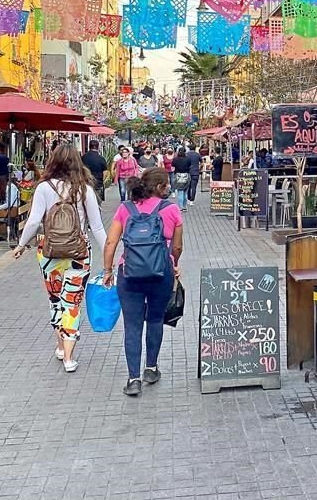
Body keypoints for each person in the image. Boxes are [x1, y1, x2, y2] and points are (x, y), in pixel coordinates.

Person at [12, 145, 108, 373]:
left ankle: (60, 346)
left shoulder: (43, 188)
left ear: (53, 162)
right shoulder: (84, 189)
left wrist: (21, 244)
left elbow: (34, 222)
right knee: (72, 303)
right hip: (79, 253)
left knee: (55, 300)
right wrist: (109, 255)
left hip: (49, 253)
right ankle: (69, 357)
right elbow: (97, 227)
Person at [102, 168, 183, 397]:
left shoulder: (125, 208)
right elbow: (177, 247)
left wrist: (108, 270)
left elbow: (111, 243)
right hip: (161, 273)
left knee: (132, 325)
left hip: (129, 274)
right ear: (159, 187)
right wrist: (173, 264)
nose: (169, 188)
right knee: (155, 319)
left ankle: (133, 379)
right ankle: (151, 368)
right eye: (166, 184)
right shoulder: (171, 209)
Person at [170, 146, 191, 211]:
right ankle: (184, 206)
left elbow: (172, 168)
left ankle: (180, 207)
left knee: (180, 192)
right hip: (186, 175)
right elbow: (190, 166)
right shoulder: (188, 159)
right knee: (185, 192)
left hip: (178, 175)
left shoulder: (175, 159)